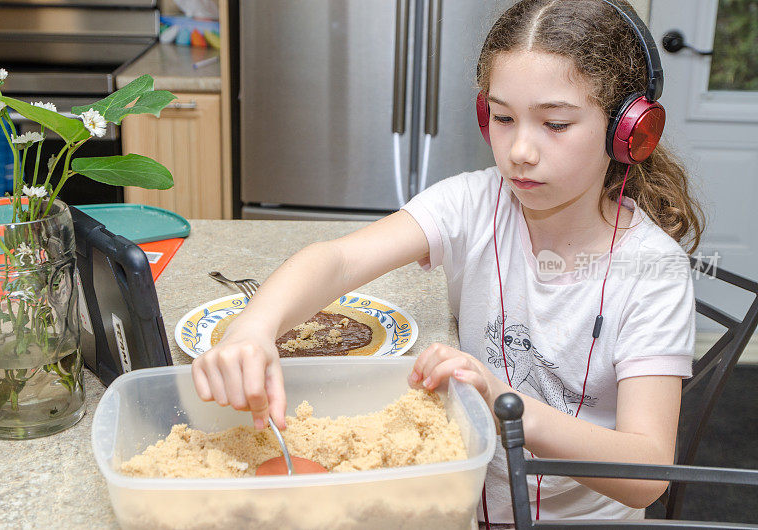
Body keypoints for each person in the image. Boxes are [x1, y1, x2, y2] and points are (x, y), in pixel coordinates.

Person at [191, 0, 705, 523]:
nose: (520, 150)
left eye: (554, 123)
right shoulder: (474, 204)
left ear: (629, 131)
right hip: (460, 505)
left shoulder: (652, 272)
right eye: (503, 117)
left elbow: (646, 476)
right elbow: (339, 261)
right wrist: (253, 328)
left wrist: (499, 396)